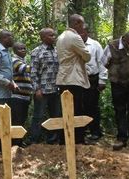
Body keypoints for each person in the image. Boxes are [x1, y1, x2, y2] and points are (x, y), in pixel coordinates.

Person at [102, 31, 129, 152]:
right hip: (117, 83)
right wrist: (116, 71)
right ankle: (121, 138)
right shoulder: (112, 45)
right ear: (125, 40)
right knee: (119, 110)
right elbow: (104, 62)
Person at [56, 14, 91, 144]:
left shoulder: (60, 37)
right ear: (76, 23)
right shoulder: (75, 37)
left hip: (63, 78)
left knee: (65, 109)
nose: (83, 26)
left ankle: (64, 139)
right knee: (77, 109)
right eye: (82, 23)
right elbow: (87, 56)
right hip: (74, 78)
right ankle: (78, 139)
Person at [30, 28, 60, 144]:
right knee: (38, 116)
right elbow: (33, 72)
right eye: (50, 35)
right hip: (42, 90)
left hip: (56, 89)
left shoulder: (57, 51)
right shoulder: (37, 51)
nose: (54, 37)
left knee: (55, 116)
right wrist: (37, 89)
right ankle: (34, 141)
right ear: (43, 38)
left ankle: (52, 140)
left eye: (54, 35)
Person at [80, 26, 108, 141]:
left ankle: (95, 131)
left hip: (92, 79)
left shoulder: (95, 45)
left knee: (92, 106)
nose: (80, 34)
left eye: (82, 32)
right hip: (78, 80)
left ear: (87, 32)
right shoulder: (74, 45)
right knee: (79, 106)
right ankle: (82, 132)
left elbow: (102, 63)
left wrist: (102, 80)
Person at [11, 42, 34, 147]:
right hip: (17, 97)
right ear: (15, 51)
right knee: (17, 120)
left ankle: (19, 142)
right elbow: (23, 69)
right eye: (20, 49)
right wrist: (37, 65)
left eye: (24, 48)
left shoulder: (23, 61)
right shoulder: (14, 60)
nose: (23, 50)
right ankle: (15, 144)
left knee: (22, 120)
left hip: (25, 96)